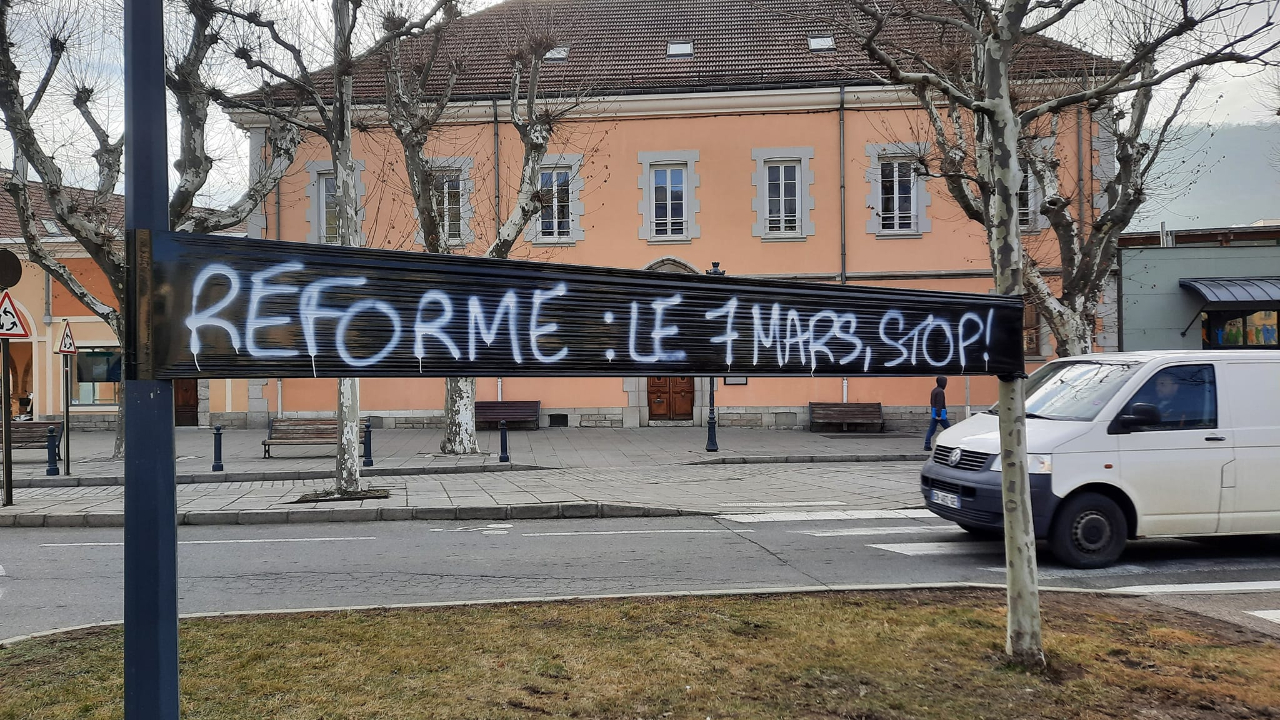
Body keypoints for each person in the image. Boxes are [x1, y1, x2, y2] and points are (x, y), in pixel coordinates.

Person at [924, 376, 949, 451]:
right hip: (940, 414)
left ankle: (927, 444)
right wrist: (939, 414)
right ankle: (951, 444)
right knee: (949, 429)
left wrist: (935, 413)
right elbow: (939, 403)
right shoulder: (940, 391)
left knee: (931, 430)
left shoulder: (934, 390)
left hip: (935, 412)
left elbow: (932, 402)